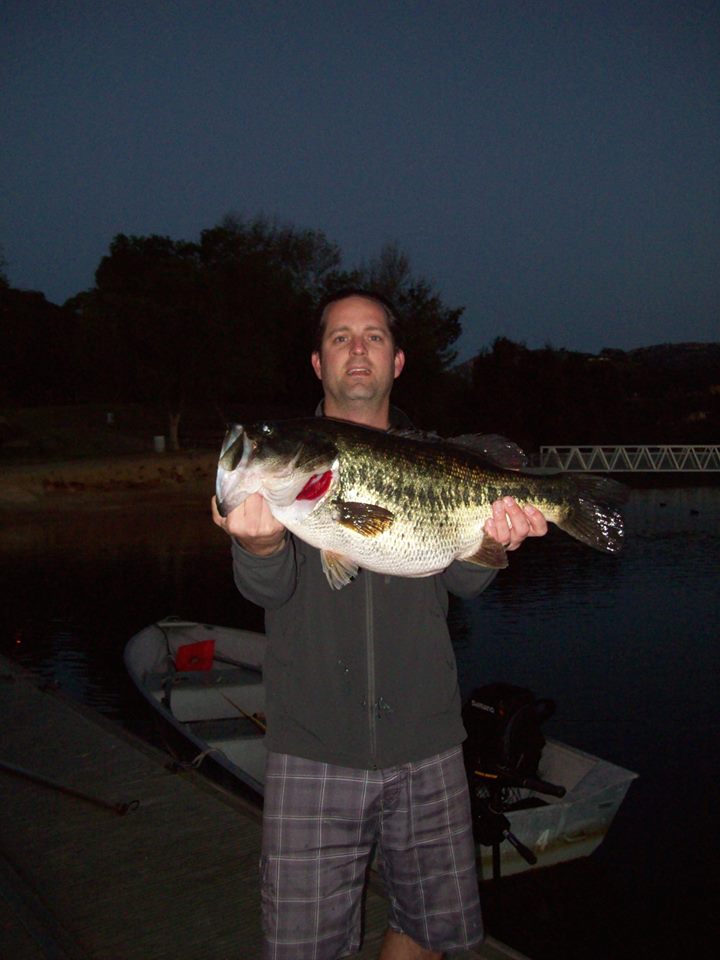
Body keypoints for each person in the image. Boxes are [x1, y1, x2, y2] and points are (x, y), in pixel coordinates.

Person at [212, 290, 548, 960]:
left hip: (425, 742)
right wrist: (257, 545)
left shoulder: (437, 455)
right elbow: (269, 591)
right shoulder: (285, 477)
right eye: (340, 337)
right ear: (317, 362)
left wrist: (496, 544)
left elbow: (461, 577)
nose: (357, 349)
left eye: (372, 336)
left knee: (428, 935)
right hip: (313, 746)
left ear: (397, 361)